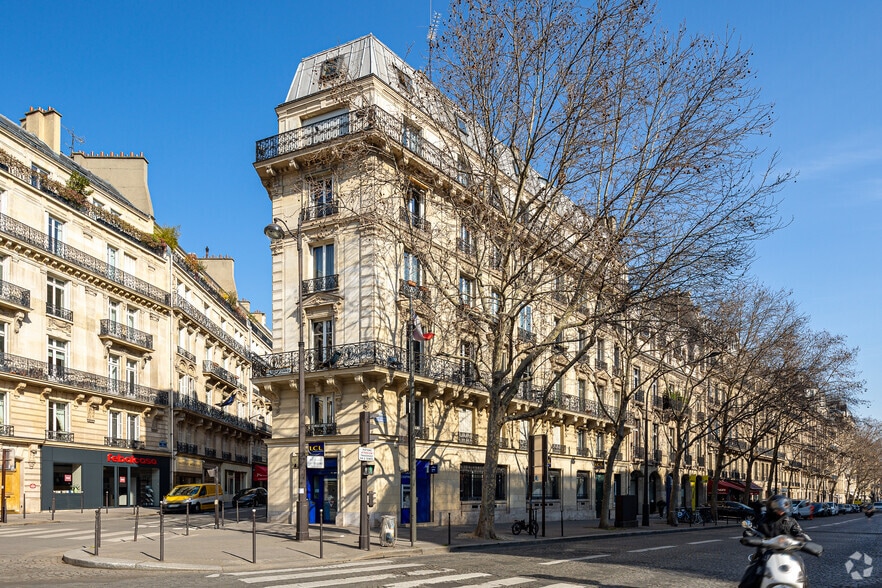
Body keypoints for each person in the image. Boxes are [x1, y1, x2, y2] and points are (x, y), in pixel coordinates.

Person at [739, 494, 810, 588]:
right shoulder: (762, 520)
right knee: (750, 575)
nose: (781, 512)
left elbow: (799, 532)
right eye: (779, 509)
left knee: (801, 571)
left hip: (787, 553)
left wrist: (801, 538)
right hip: (765, 552)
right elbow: (754, 530)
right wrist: (749, 534)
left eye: (783, 508)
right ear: (771, 507)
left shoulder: (790, 521)